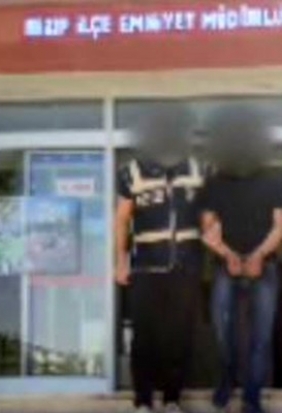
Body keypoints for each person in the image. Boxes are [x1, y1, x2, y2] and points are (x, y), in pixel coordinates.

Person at [200, 105, 282, 413]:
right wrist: (229, 256)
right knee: (222, 332)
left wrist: (257, 257)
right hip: (226, 267)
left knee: (261, 336)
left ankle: (252, 397)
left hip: (265, 266)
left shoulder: (273, 180)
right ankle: (227, 378)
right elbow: (208, 229)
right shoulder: (214, 183)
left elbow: (281, 225)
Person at [115, 104, 204, 413]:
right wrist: (120, 261)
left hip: (186, 268)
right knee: (144, 338)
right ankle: (143, 401)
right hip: (146, 268)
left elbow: (210, 217)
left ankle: (171, 400)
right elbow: (121, 220)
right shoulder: (131, 172)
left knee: (178, 337)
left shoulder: (197, 169)